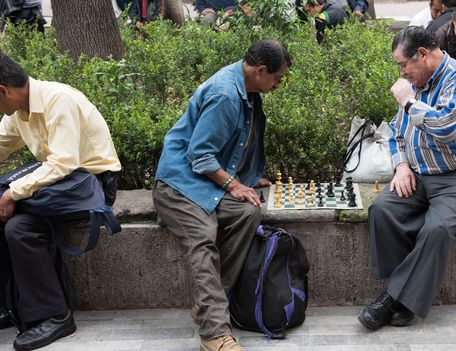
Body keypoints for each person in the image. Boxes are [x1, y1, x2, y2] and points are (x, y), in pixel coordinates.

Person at [152, 39, 290, 351]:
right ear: (260, 70)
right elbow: (200, 155)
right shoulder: (226, 94)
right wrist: (234, 185)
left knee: (248, 212)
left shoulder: (247, 88)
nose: (279, 85)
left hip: (207, 184)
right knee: (204, 234)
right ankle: (213, 334)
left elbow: (233, 149)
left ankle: (208, 304)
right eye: (278, 78)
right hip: (178, 185)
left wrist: (249, 180)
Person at [358, 26, 456, 330]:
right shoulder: (416, 84)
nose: (402, 72)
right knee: (382, 210)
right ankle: (405, 296)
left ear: (422, 54)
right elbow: (394, 133)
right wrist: (401, 166)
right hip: (418, 173)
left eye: (404, 64)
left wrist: (408, 102)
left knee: (437, 228)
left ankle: (392, 300)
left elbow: (446, 127)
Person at [0, 51, 121, 350]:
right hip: (62, 182)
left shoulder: (58, 100)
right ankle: (9, 304)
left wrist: (14, 192)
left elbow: (63, 162)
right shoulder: (19, 111)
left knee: (20, 229)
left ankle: (56, 316)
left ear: (2, 90)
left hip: (89, 184)